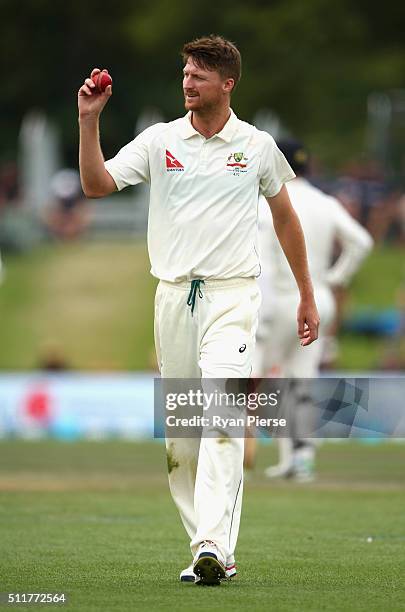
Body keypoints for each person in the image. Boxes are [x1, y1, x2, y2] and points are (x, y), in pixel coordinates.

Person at [78, 36, 319, 586]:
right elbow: (95, 185)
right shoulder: (160, 139)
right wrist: (89, 121)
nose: (187, 82)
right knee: (182, 439)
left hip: (234, 296)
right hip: (172, 298)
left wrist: (306, 293)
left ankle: (214, 542)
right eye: (185, 73)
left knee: (224, 416)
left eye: (199, 75)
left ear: (227, 83)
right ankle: (206, 548)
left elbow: (285, 219)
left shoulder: (256, 146)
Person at [249, 140, 373, 481]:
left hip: (280, 303)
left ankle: (232, 451)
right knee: (300, 379)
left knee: (253, 376)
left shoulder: (267, 204)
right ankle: (299, 459)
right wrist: (335, 279)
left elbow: (264, 262)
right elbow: (362, 242)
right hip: (318, 301)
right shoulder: (325, 202)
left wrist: (260, 310)